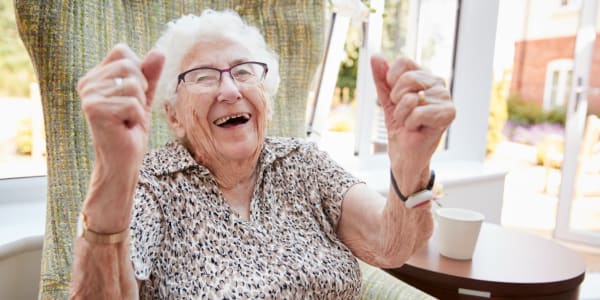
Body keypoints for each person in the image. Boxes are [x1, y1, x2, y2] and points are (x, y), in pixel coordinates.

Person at [70, 9, 455, 299]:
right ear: (172, 114)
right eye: (204, 76)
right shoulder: (149, 185)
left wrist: (411, 164)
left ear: (265, 97)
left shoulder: (304, 162)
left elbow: (392, 245)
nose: (230, 90)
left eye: (243, 72)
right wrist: (113, 171)